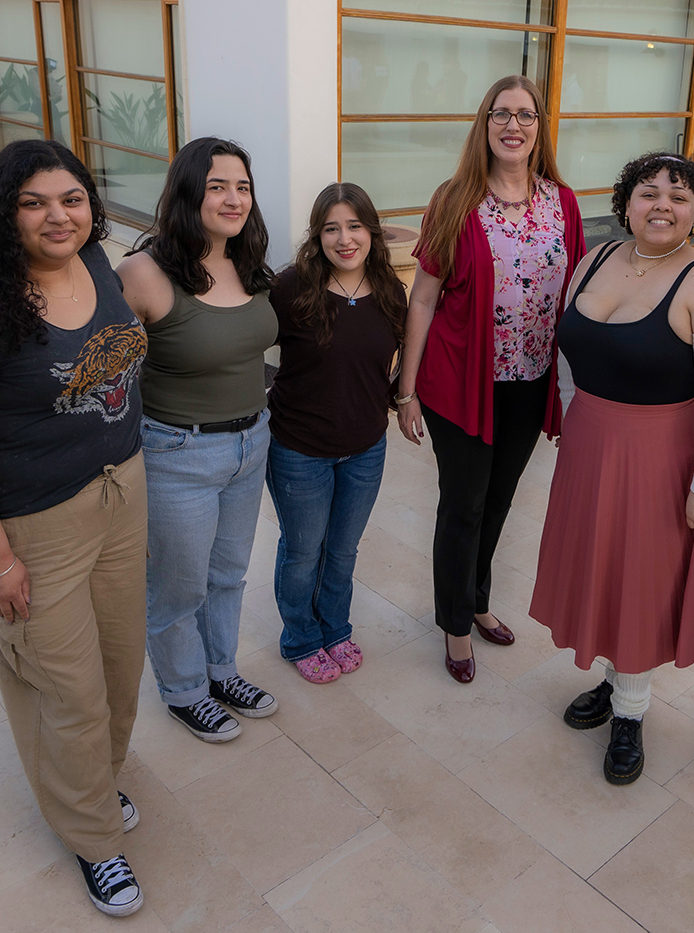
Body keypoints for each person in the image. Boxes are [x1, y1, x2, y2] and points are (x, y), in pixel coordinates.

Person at [0, 139, 148, 917]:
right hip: (35, 523)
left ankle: (99, 783)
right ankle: (92, 838)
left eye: (71, 198)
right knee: (65, 687)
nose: (58, 215)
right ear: (0, 214)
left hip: (121, 494)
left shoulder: (101, 266)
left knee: (118, 662)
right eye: (34, 202)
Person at [530, 153, 694, 785]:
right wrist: (576, 420)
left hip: (662, 460)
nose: (662, 205)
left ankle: (630, 714)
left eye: (679, 197)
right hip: (591, 447)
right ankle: (612, 682)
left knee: (640, 583)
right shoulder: (595, 259)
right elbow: (572, 351)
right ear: (626, 203)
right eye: (648, 192)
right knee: (603, 571)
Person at [395, 74, 586, 683]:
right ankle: (454, 624)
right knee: (464, 505)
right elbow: (422, 298)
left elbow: (578, 296)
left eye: (525, 115)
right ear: (484, 126)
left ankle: (476, 599)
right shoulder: (454, 199)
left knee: (499, 500)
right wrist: (407, 387)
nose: (513, 125)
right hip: (461, 382)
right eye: (501, 114)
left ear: (539, 129)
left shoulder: (563, 202)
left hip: (531, 383)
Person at [117, 138, 279, 741]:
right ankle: (184, 689)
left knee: (229, 572)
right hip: (178, 453)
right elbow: (100, 366)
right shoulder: (143, 272)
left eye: (242, 186)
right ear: (188, 193)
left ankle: (219, 671)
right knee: (179, 584)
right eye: (217, 186)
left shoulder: (250, 261)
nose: (233, 198)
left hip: (250, 442)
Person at [266, 183, 407, 682]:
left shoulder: (390, 289)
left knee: (342, 550)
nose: (344, 239)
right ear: (317, 236)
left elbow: (402, 357)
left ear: (371, 230)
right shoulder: (291, 288)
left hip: (366, 449)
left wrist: (401, 398)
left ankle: (335, 629)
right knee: (303, 551)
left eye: (354, 226)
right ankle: (301, 637)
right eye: (331, 228)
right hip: (299, 450)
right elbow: (245, 344)